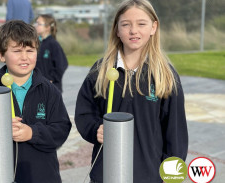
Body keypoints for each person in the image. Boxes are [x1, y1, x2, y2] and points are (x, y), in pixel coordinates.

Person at [74, 0, 188, 182]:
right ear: (117, 30)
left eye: (141, 24)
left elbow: (175, 134)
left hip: (149, 176)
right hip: (106, 174)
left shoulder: (165, 76)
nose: (133, 30)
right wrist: (96, 129)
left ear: (153, 27)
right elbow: (84, 113)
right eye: (126, 24)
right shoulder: (100, 71)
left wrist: (171, 177)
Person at [0, 20, 72, 183]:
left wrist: (32, 132)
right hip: (2, 175)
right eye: (16, 51)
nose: (24, 57)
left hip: (43, 176)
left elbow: (61, 129)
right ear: (1, 55)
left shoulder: (49, 90)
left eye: (30, 50)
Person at [34, 14, 68, 92]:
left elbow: (63, 64)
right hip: (38, 87)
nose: (36, 25)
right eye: (36, 23)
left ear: (47, 27)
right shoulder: (36, 43)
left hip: (51, 89)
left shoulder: (53, 44)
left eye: (39, 24)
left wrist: (52, 78)